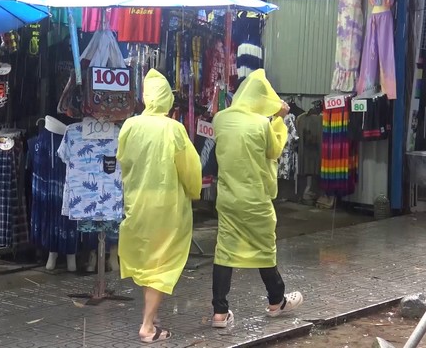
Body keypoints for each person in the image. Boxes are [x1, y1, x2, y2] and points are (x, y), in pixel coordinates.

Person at [210, 69, 304, 328]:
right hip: (255, 199)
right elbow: (273, 150)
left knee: (225, 251)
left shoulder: (220, 119)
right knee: (265, 248)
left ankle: (220, 313)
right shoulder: (262, 123)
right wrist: (278, 120)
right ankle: (276, 301)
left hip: (228, 198)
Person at [117, 69, 202, 343]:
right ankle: (147, 327)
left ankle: (151, 316)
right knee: (162, 264)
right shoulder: (174, 129)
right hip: (167, 207)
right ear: (167, 99)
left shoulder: (130, 125)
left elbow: (124, 162)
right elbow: (189, 169)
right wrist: (194, 191)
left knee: (146, 260)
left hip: (138, 203)